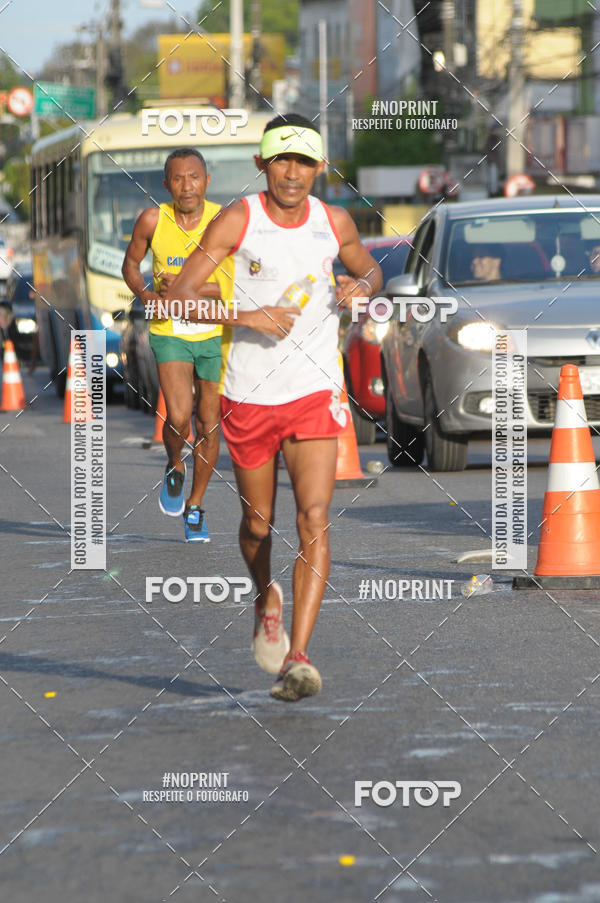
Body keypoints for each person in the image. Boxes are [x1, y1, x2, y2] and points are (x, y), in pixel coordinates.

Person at [154, 113, 382, 701]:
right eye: (281, 159)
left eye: (304, 161)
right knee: (259, 525)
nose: (292, 172)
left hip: (313, 389)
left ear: (320, 168)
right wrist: (247, 316)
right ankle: (264, 597)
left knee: (313, 518)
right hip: (248, 393)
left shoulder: (333, 222)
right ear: (263, 164)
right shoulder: (239, 217)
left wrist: (363, 286)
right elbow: (178, 299)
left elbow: (370, 268)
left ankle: (300, 658)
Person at [122, 148, 233, 542]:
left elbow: (231, 285)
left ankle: (196, 506)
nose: (188, 186)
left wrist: (187, 286)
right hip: (169, 329)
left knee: (208, 420)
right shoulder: (154, 219)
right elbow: (130, 265)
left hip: (214, 332)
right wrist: (147, 295)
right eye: (178, 178)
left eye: (195, 177)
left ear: (207, 180)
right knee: (181, 417)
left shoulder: (225, 221)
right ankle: (174, 464)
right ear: (167, 183)